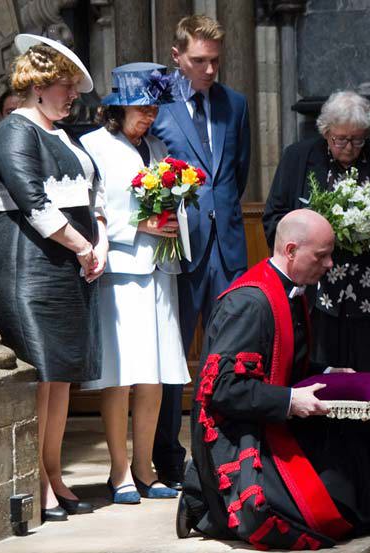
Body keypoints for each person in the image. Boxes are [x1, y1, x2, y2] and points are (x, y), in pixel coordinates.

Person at [176, 209, 370, 553]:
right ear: (291, 251)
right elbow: (220, 389)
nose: (329, 265)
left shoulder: (292, 290)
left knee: (364, 490)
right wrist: (291, 401)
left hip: (272, 415)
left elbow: (285, 363)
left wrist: (326, 373)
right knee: (314, 517)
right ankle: (205, 501)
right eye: (321, 256)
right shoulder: (250, 303)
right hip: (242, 433)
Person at [0, 34, 105, 521]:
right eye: (65, 86)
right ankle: (37, 479)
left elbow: (92, 195)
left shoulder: (64, 135)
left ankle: (54, 473)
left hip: (68, 265)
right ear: (37, 85)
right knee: (41, 373)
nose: (73, 96)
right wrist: (83, 248)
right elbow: (31, 200)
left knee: (59, 376)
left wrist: (98, 242)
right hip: (30, 265)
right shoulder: (14, 129)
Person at [80, 63, 191, 504]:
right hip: (121, 273)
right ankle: (119, 471)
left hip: (161, 271)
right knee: (120, 374)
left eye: (154, 108)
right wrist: (139, 225)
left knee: (155, 376)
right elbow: (93, 211)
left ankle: (146, 469)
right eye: (142, 108)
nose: (150, 117)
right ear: (119, 107)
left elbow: (174, 203)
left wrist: (171, 222)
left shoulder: (159, 147)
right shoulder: (93, 146)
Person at [150, 14, 252, 490]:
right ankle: (167, 455)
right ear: (177, 58)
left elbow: (237, 171)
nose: (209, 70)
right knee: (173, 353)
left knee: (225, 353)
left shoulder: (236, 105)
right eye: (198, 61)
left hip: (227, 248)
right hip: (178, 246)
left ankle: (220, 450)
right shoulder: (159, 105)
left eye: (215, 61)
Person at [262, 91, 370, 375]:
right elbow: (274, 218)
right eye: (341, 139)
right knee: (319, 375)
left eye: (358, 139)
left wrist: (369, 228)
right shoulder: (298, 158)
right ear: (325, 132)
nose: (350, 147)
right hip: (316, 296)